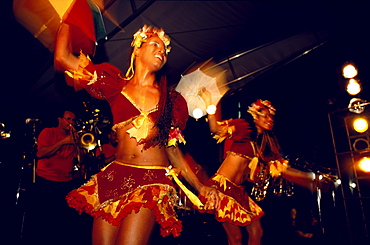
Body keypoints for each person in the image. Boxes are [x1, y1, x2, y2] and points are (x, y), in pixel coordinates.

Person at [54, 23, 219, 245]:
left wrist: (200, 186)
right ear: (137, 49)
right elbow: (64, 57)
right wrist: (69, 19)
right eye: (154, 44)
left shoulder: (170, 101)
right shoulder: (114, 85)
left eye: (164, 50)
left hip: (150, 179)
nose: (161, 51)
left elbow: (172, 149)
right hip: (115, 176)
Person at [198, 88, 318, 245]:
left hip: (239, 192)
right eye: (265, 115)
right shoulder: (243, 129)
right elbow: (215, 128)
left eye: (271, 116)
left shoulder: (262, 146)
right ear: (255, 117)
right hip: (222, 188)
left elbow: (283, 170)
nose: (270, 119)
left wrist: (310, 178)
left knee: (257, 232)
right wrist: (209, 103)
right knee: (236, 238)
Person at [24, 109, 91, 245]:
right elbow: (40, 153)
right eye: (68, 119)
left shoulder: (75, 137)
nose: (71, 122)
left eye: (73, 120)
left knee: (63, 221)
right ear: (60, 119)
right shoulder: (48, 132)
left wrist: (79, 145)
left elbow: (81, 160)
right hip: (46, 181)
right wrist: (63, 142)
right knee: (44, 219)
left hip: (65, 182)